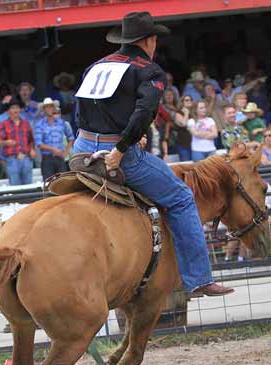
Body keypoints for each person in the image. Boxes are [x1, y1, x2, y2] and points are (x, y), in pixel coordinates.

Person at [71, 11, 233, 296]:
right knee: (181, 198)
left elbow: (80, 111)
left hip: (82, 147)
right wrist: (121, 149)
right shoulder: (149, 71)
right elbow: (144, 112)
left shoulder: (96, 66)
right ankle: (199, 279)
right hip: (118, 152)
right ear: (149, 41)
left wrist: (96, 141)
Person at [0, 99, 36, 185]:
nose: (15, 110)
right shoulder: (3, 124)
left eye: (17, 108)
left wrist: (32, 149)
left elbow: (31, 140)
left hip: (26, 158)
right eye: (13, 108)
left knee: (28, 187)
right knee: (15, 186)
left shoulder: (26, 123)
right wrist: (6, 142)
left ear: (20, 109)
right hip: (12, 159)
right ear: (9, 110)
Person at [34, 98, 75, 181]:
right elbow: (39, 143)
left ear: (53, 108)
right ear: (44, 109)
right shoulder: (39, 124)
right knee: (49, 183)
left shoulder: (61, 122)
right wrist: (53, 149)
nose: (49, 109)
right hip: (47, 158)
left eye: (51, 107)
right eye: (47, 107)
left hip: (60, 158)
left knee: (63, 183)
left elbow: (71, 138)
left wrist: (66, 152)